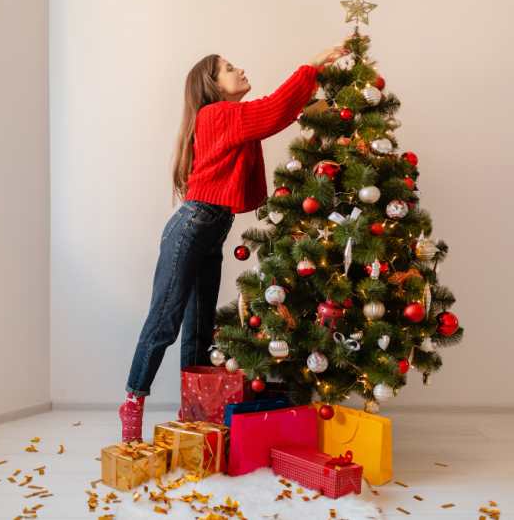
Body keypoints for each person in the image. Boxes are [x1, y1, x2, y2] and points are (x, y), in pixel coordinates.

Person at [119, 41, 351, 442]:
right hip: (194, 226)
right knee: (165, 320)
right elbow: (274, 110)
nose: (239, 69)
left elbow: (271, 112)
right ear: (212, 86)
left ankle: (191, 414)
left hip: (211, 228)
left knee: (199, 327)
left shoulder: (227, 117)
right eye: (228, 68)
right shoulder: (218, 114)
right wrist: (311, 66)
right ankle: (133, 402)